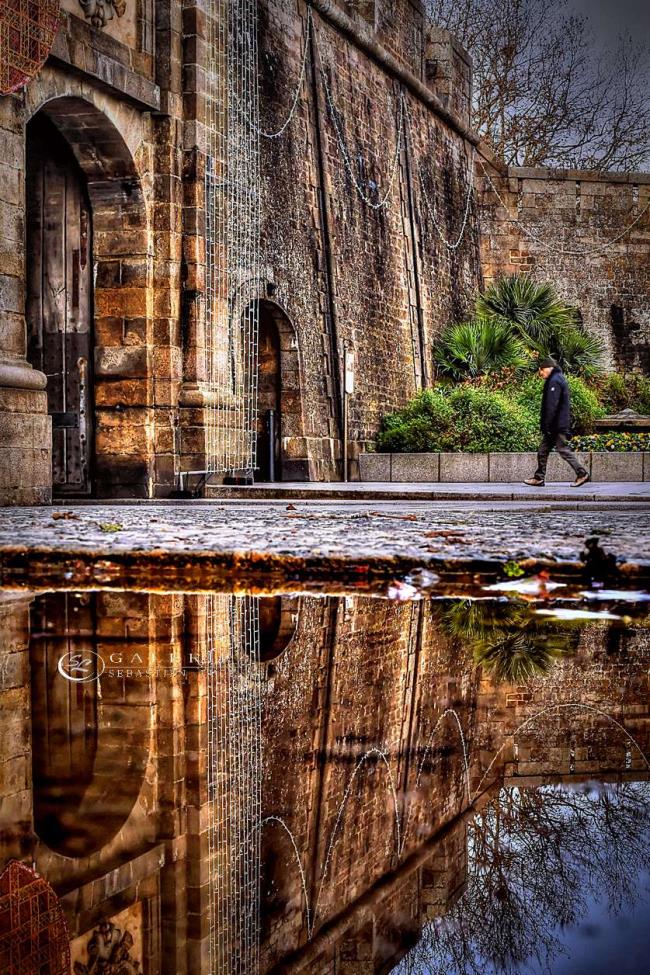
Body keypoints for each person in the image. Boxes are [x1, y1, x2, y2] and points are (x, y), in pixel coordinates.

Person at [524, 357, 590, 487]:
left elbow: (551, 405)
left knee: (563, 450)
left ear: (547, 368)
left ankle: (582, 473)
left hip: (556, 426)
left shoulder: (554, 381)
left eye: (541, 371)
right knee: (542, 451)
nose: (541, 375)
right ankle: (539, 478)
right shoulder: (557, 379)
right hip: (555, 425)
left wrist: (547, 424)